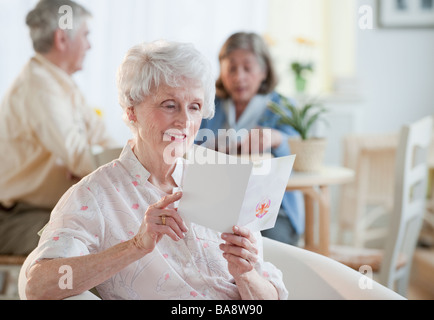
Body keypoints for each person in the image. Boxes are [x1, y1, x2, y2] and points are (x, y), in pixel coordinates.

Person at [24, 40, 288, 300]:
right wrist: (135, 246)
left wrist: (245, 274)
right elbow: (38, 285)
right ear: (132, 111)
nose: (185, 121)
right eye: (169, 105)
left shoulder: (222, 180)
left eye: (194, 107)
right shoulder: (95, 195)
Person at [0, 0, 117, 256]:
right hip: (20, 218)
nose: (90, 45)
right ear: (62, 39)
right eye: (86, 35)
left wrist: (136, 165)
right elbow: (80, 159)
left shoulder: (62, 84)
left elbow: (102, 142)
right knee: (98, 243)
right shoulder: (38, 87)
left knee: (117, 232)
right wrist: (91, 166)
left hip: (54, 210)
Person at [199, 32, 304, 246]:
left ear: (264, 71)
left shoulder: (281, 106)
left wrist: (275, 138)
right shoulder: (209, 106)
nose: (239, 77)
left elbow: (300, 149)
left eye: (247, 68)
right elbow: (190, 148)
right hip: (219, 208)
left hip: (273, 213)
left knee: (264, 252)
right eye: (232, 68)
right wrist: (212, 146)